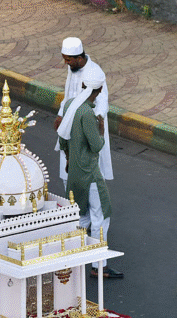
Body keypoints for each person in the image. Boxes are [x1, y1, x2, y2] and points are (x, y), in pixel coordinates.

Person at [56, 67, 122, 278]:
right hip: (90, 173)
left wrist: (67, 158)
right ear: (100, 88)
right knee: (101, 216)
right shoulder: (87, 113)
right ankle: (98, 265)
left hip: (73, 171)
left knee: (80, 215)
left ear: (83, 86)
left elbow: (62, 138)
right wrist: (101, 131)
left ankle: (69, 257)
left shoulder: (68, 105)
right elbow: (96, 146)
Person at [54, 37, 112, 185]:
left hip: (86, 125)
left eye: (68, 60)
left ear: (79, 58)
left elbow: (102, 101)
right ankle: (72, 205)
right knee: (67, 167)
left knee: (90, 175)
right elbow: (68, 94)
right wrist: (61, 114)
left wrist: (95, 123)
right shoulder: (73, 68)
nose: (66, 63)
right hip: (69, 123)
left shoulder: (95, 73)